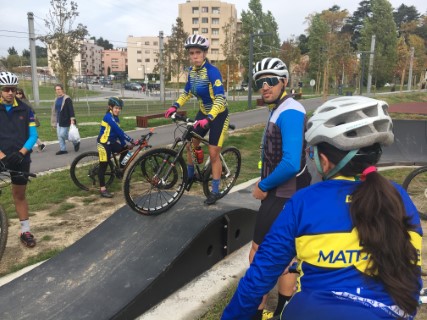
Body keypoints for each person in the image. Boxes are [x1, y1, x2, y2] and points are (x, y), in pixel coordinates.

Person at [222, 96, 422, 320]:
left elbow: (257, 279)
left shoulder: (305, 201)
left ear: (324, 161)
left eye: (311, 153)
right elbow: (410, 280)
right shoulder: (399, 197)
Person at [249, 57, 311, 319]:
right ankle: (282, 312)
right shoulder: (281, 107)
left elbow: (290, 162)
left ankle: (257, 312)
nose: (265, 86)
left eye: (271, 80)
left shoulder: (290, 111)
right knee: (287, 257)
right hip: (288, 193)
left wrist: (263, 185)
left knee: (257, 254)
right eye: (260, 82)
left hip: (283, 193)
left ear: (284, 81)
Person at [164, 34, 229, 205]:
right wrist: (174, 106)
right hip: (203, 113)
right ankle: (190, 176)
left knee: (214, 153)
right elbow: (186, 93)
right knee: (190, 145)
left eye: (198, 53)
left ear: (205, 53)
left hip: (218, 115)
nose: (194, 56)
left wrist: (209, 118)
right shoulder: (192, 73)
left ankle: (215, 191)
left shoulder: (212, 72)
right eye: (191, 53)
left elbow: (220, 99)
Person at [0, 72, 38, 248]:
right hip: (1, 156)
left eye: (12, 89)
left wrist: (21, 153)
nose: (9, 92)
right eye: (6, 89)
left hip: (20, 157)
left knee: (19, 194)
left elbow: (33, 135)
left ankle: (25, 230)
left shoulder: (26, 109)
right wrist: (3, 157)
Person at [97, 97, 136, 198]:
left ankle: (121, 171)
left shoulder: (116, 118)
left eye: (119, 108)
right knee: (103, 166)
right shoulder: (108, 117)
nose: (118, 110)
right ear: (110, 107)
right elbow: (119, 131)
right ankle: (102, 189)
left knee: (126, 151)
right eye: (116, 108)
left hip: (112, 142)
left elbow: (118, 135)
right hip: (103, 143)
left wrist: (124, 144)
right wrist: (131, 140)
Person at [51, 84, 80, 155]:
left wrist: (72, 119)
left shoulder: (67, 98)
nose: (58, 91)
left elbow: (71, 109)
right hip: (58, 120)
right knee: (59, 136)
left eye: (59, 89)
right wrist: (54, 121)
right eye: (56, 89)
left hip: (65, 119)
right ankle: (63, 149)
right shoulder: (56, 99)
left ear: (62, 90)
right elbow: (54, 111)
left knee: (62, 134)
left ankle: (76, 142)